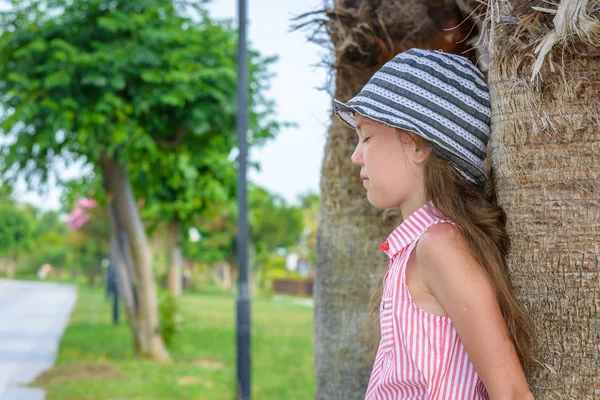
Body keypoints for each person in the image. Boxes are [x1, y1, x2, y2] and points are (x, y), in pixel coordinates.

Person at [333, 48, 534, 400]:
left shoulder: (440, 245)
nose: (356, 156)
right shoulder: (416, 248)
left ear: (417, 145)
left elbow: (512, 392)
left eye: (366, 137)